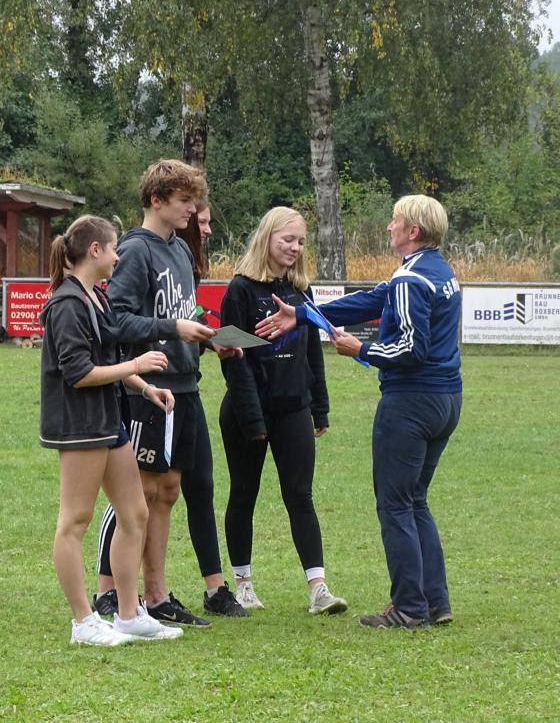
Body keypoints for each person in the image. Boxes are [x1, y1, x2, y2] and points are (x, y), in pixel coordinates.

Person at [256, 195, 462, 629]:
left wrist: (361, 350)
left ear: (413, 231)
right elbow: (372, 300)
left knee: (395, 505)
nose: (389, 227)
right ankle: (434, 601)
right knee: (415, 500)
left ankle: (409, 608)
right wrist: (304, 314)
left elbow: (410, 349)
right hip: (446, 399)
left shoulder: (411, 279)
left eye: (395, 221)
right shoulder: (439, 271)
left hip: (410, 402)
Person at [93, 160, 248, 628]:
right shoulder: (135, 250)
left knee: (169, 491)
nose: (192, 210)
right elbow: (115, 320)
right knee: (136, 494)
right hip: (145, 386)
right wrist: (172, 328)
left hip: (185, 385)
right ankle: (110, 593)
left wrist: (209, 339)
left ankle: (157, 595)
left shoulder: (180, 248)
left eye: (194, 201)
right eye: (184, 201)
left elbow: (185, 310)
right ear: (156, 200)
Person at [40, 214, 182, 645]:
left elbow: (105, 360)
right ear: (95, 250)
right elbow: (79, 373)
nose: (119, 256)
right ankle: (83, 622)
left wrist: (144, 387)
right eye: (115, 248)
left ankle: (128, 615)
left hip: (108, 420)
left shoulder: (96, 297)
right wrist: (137, 364)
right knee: (75, 520)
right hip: (80, 424)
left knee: (135, 512)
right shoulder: (66, 304)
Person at [218, 206, 347, 615]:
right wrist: (252, 417)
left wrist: (319, 407)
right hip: (247, 412)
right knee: (244, 493)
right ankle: (243, 584)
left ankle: (318, 589)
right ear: (267, 237)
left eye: (301, 241)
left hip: (294, 409)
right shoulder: (239, 290)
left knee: (300, 495)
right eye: (287, 239)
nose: (295, 247)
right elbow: (232, 360)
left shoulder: (300, 291)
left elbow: (313, 353)